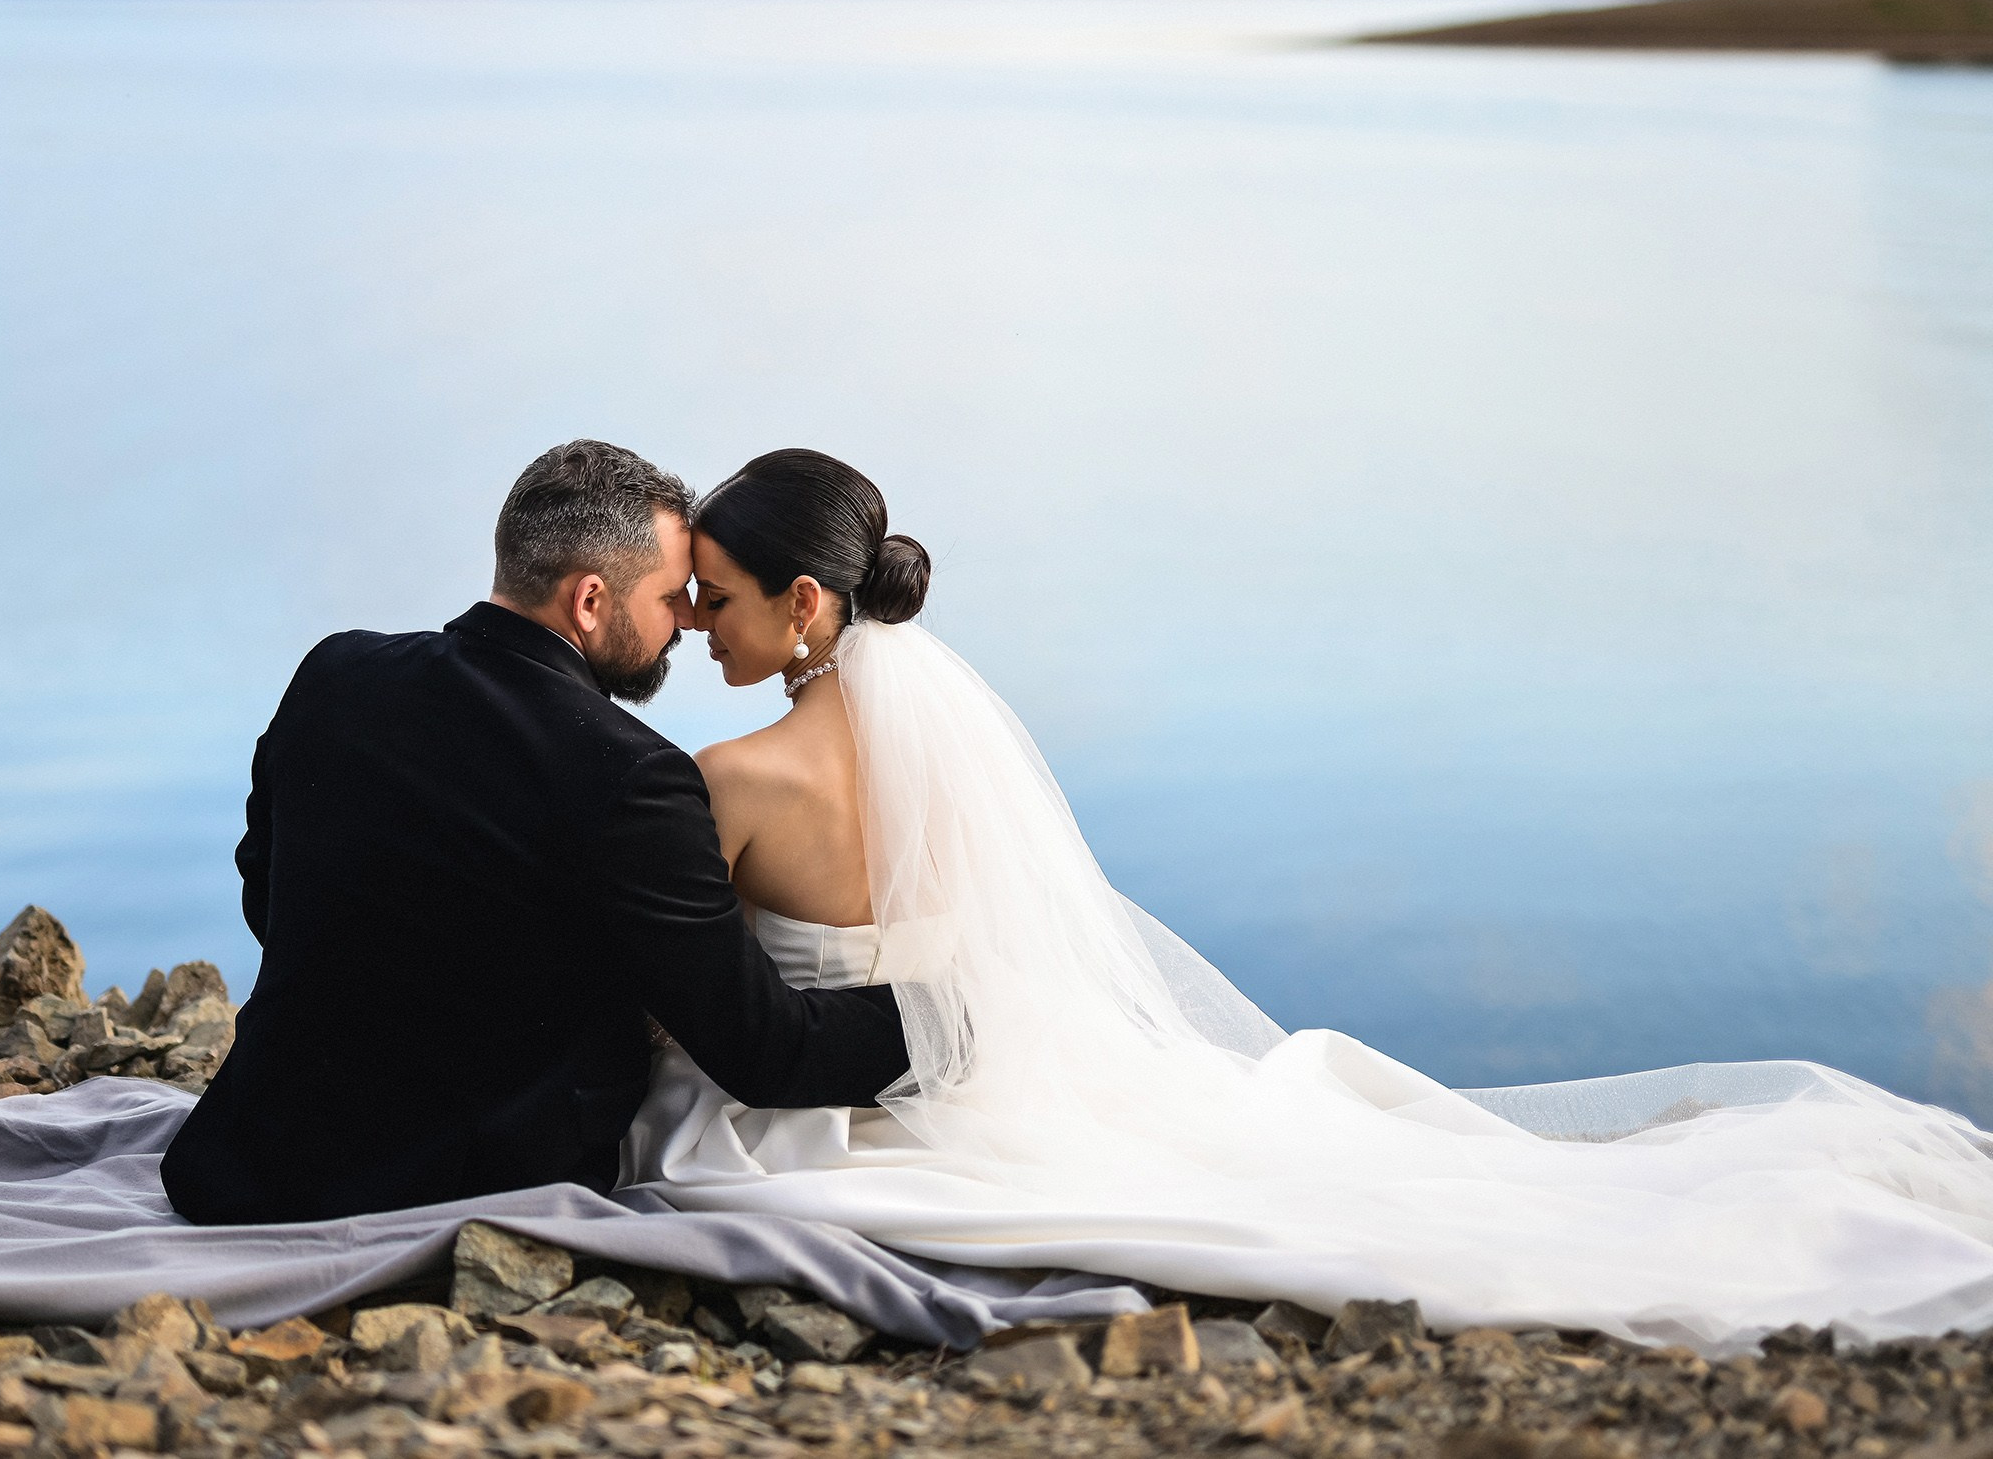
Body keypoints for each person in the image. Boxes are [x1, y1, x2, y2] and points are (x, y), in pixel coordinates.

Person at [624, 447, 1993, 1355]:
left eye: (720, 599)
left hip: (838, 1103)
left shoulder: (733, 775)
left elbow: (714, 1004)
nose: (695, 622)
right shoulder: (949, 735)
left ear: (807, 600)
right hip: (963, 1053)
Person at [160, 440, 909, 1226]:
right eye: (668, 597)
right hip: (465, 1182)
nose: (688, 618)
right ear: (590, 601)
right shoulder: (635, 775)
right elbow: (766, 1051)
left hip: (248, 1161)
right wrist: (954, 1018)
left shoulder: (335, 673)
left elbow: (267, 889)